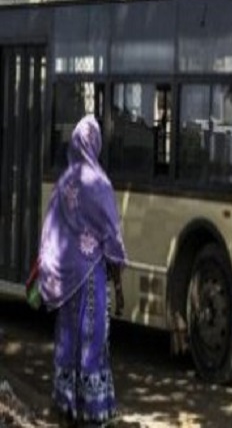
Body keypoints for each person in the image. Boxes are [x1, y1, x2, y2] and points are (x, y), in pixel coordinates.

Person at [37, 115, 127, 426]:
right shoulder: (100, 184)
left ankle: (66, 403)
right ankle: (93, 410)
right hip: (91, 279)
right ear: (96, 143)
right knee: (93, 342)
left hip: (65, 281)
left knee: (67, 340)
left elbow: (49, 231)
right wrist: (118, 286)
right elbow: (112, 238)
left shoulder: (63, 183)